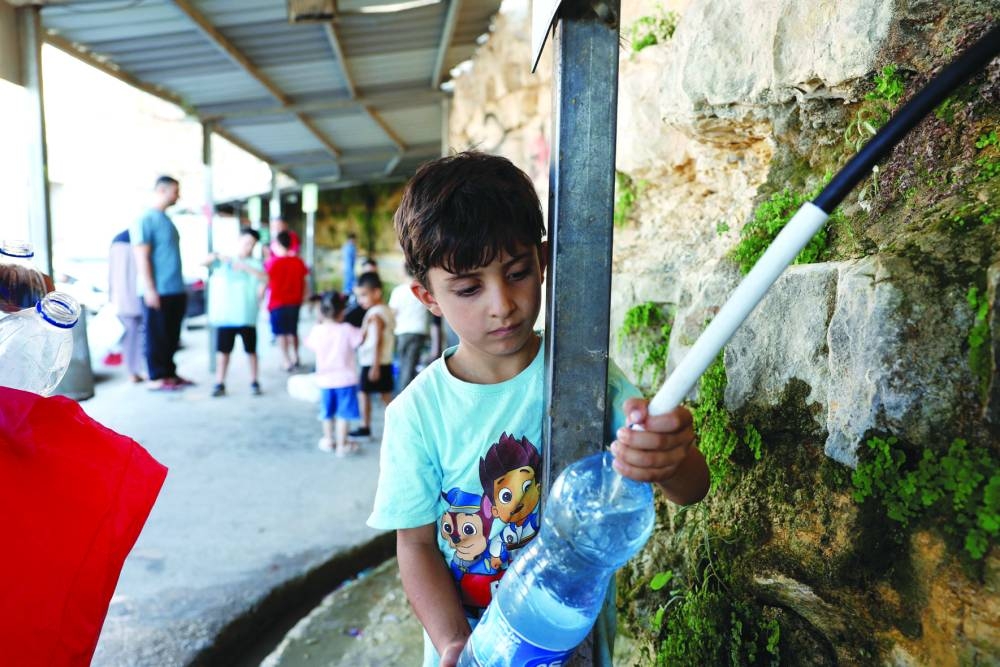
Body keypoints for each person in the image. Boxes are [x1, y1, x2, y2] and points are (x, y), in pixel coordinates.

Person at [366, 152, 709, 667]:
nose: (501, 304)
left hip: (576, 647)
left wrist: (669, 455)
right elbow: (414, 546)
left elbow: (692, 489)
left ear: (544, 262)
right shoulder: (417, 415)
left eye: (518, 272)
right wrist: (451, 642)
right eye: (468, 288)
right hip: (480, 650)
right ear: (427, 296)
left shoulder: (586, 376)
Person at [131, 175, 190, 391]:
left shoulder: (166, 219)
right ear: (162, 190)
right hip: (158, 290)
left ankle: (169, 373)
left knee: (172, 335)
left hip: (175, 288)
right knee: (157, 335)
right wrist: (150, 289)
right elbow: (141, 256)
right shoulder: (145, 219)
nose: (178, 196)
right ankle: (156, 377)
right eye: (175, 191)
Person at [204, 228, 267, 397]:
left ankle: (254, 381)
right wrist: (216, 256)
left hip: (247, 316)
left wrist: (245, 267)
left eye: (251, 245)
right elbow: (204, 262)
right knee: (223, 352)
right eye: (246, 243)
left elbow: (264, 278)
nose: (248, 247)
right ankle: (219, 382)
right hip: (226, 317)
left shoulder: (255, 263)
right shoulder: (224, 260)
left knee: (251, 351)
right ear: (239, 240)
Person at [305, 292, 364, 456]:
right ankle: (342, 445)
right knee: (343, 415)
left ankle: (329, 440)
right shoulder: (347, 330)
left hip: (324, 380)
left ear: (321, 312)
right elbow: (360, 339)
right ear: (342, 312)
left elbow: (310, 344)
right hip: (345, 380)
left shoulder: (317, 330)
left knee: (327, 413)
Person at [351, 271, 394, 439]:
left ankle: (365, 425)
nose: (360, 300)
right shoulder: (385, 310)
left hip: (373, 362)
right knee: (385, 395)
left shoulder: (375, 314)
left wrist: (375, 366)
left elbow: (377, 341)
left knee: (364, 393)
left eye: (363, 295)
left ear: (376, 293)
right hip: (384, 361)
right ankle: (398, 424)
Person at [265, 231, 310, 371]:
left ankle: (286, 360)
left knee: (281, 333)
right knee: (293, 331)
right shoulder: (298, 261)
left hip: (277, 303)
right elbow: (305, 282)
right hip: (294, 302)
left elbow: (266, 282)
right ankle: (296, 357)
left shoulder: (272, 263)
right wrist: (306, 297)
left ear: (277, 244)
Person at [108, 229, 145, 383]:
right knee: (136, 336)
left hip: (121, 300)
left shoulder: (115, 246)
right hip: (135, 298)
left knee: (130, 337)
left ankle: (133, 371)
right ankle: (136, 371)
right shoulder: (136, 243)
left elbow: (110, 276)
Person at [389, 267, 431, 391]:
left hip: (402, 332)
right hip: (419, 331)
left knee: (403, 364)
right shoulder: (422, 289)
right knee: (411, 364)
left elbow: (392, 313)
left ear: (404, 272)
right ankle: (407, 393)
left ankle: (403, 394)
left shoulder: (398, 291)